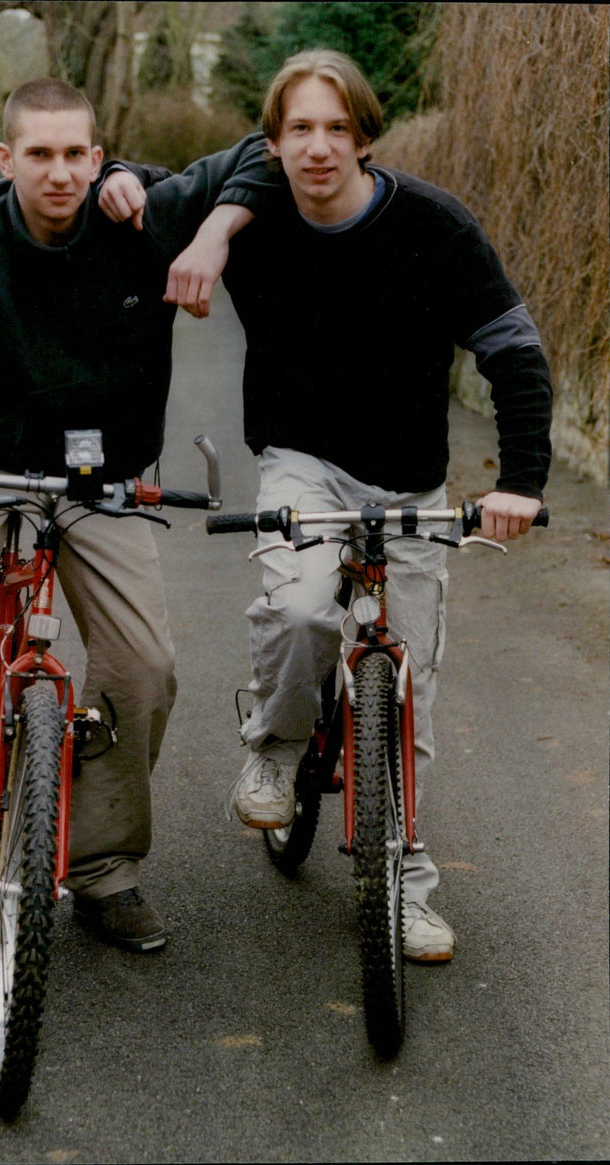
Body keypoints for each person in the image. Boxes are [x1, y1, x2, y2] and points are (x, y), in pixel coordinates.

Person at [104, 50, 552, 962]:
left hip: (409, 481)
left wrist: (521, 482)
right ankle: (274, 744)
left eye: (337, 128)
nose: (319, 147)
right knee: (305, 607)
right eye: (299, 128)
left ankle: (407, 889)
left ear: (365, 138)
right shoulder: (257, 211)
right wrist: (119, 177)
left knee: (411, 693)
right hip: (302, 462)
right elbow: (147, 192)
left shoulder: (432, 224)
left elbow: (513, 348)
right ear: (270, 143)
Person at [0, 78, 275, 953]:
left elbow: (266, 150)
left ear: (96, 156)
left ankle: (103, 863)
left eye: (75, 153)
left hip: (102, 476)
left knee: (145, 664)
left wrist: (201, 228)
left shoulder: (138, 214)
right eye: (38, 154)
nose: (58, 172)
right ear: (5, 159)